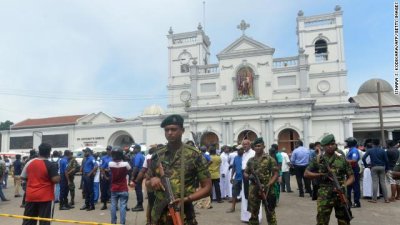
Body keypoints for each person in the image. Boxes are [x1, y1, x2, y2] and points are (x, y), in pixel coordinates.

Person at [145, 114, 212, 224]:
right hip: (159, 215)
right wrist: (152, 181)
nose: (170, 133)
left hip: (183, 214)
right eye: (167, 130)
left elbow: (207, 188)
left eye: (173, 129)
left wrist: (186, 199)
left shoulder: (194, 155)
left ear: (182, 130)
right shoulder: (157, 155)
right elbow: (147, 182)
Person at [304, 134, 354, 225]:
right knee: (322, 220)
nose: (330, 146)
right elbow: (306, 173)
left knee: (344, 220)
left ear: (335, 144)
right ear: (323, 147)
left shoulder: (342, 159)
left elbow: (351, 177)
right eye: (327, 145)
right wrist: (320, 174)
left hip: (341, 194)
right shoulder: (318, 159)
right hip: (324, 194)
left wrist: (344, 185)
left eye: (332, 144)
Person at [21, 143, 60, 225]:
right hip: (45, 197)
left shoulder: (29, 162)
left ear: (39, 151)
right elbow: (55, 180)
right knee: (44, 221)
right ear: (49, 152)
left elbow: (23, 177)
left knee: (28, 221)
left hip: (31, 196)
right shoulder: (51, 165)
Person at [244, 138, 279, 225]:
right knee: (253, 213)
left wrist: (269, 184)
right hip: (254, 188)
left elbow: (276, 174)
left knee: (270, 212)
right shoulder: (251, 160)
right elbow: (245, 172)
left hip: (268, 189)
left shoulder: (270, 159)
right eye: (255, 146)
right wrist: (249, 176)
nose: (257, 148)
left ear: (264, 146)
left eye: (259, 146)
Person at [362, 139, 389, 203]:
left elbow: (363, 158)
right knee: (383, 183)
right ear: (379, 143)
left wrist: (366, 166)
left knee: (375, 183)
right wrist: (387, 168)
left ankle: (374, 199)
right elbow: (387, 160)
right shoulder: (382, 151)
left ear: (373, 144)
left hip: (373, 167)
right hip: (382, 167)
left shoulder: (370, 150)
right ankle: (386, 199)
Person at [109, 146, 131, 225]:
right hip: (123, 188)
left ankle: (113, 222)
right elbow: (130, 170)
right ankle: (122, 223)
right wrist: (125, 159)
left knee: (113, 206)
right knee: (123, 207)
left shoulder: (110, 164)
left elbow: (113, 165)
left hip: (114, 188)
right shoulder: (125, 164)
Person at [240, 139, 256, 222]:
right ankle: (246, 217)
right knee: (245, 195)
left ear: (250, 145)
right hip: (244, 175)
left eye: (246, 144)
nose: (244, 146)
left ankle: (252, 216)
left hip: (250, 176)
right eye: (243, 144)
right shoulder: (244, 153)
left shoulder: (253, 153)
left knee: (251, 195)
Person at [344, 137, 361, 208]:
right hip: (350, 170)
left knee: (355, 186)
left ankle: (357, 202)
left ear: (350, 143)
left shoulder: (354, 150)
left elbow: (354, 160)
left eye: (347, 142)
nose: (346, 143)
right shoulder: (351, 150)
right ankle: (349, 202)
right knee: (349, 186)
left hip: (353, 170)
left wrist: (344, 161)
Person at [226, 145, 244, 213]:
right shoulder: (236, 157)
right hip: (237, 178)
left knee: (246, 194)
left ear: (242, 150)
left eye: (239, 150)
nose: (238, 151)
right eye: (237, 150)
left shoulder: (245, 157)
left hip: (244, 179)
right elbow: (233, 167)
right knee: (234, 194)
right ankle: (232, 208)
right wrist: (231, 177)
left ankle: (246, 209)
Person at [131, 144, 145, 211]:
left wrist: (132, 176)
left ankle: (140, 205)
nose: (133, 150)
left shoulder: (138, 156)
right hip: (141, 173)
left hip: (138, 174)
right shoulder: (141, 155)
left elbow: (136, 167)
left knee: (138, 189)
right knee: (138, 189)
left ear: (138, 149)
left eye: (134, 149)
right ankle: (139, 204)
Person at [100, 145, 113, 210]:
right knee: (104, 190)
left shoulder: (114, 157)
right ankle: (104, 204)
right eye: (107, 150)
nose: (108, 151)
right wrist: (105, 170)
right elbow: (101, 167)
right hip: (104, 174)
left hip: (112, 174)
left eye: (109, 150)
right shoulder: (103, 158)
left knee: (112, 190)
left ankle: (114, 205)